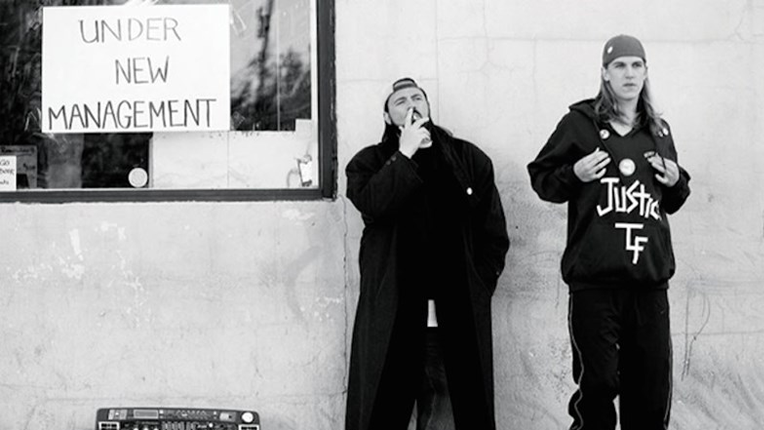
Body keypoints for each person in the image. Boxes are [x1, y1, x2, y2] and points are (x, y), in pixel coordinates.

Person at [527, 35, 691, 430]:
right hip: (595, 284)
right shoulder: (579, 124)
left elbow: (671, 200)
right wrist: (574, 173)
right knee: (597, 387)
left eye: (637, 65)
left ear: (646, 71)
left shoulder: (659, 130)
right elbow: (542, 178)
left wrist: (676, 181)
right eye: (620, 65)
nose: (629, 73)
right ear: (605, 72)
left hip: (649, 283)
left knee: (650, 392)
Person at [345, 77, 510, 430]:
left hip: (454, 320)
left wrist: (478, 286)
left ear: (429, 108)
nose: (411, 105)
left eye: (417, 98)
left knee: (448, 418)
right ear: (388, 117)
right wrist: (403, 154)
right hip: (392, 320)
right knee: (381, 415)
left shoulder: (468, 159)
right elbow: (373, 204)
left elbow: (493, 234)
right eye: (400, 102)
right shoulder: (369, 162)